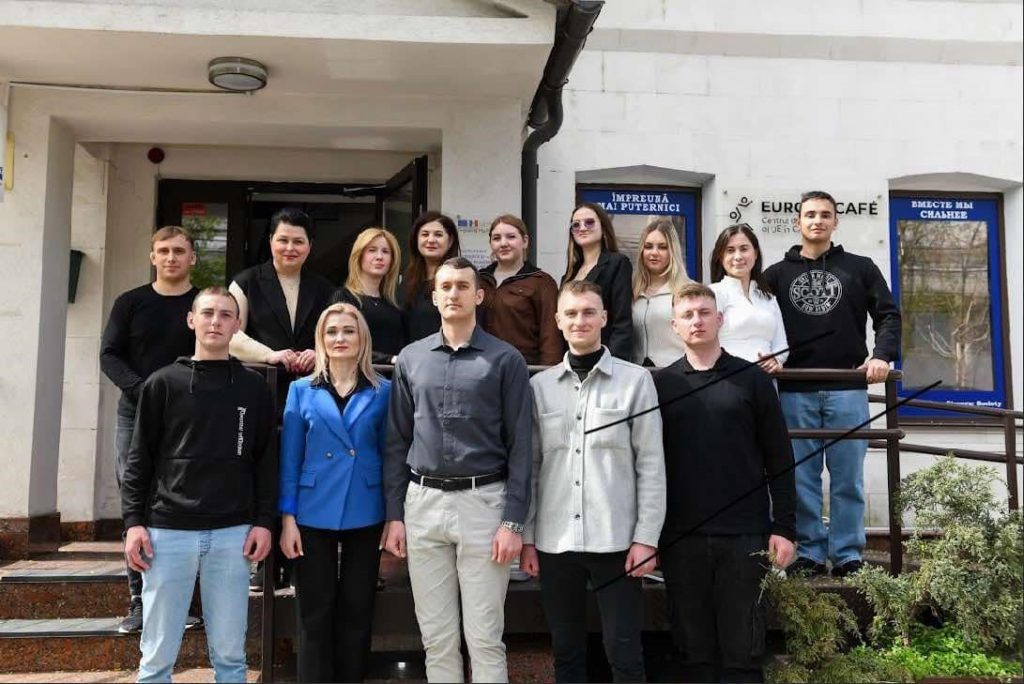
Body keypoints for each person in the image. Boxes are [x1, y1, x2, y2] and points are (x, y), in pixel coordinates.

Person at [383, 256, 533, 683]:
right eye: (445, 287)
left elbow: (522, 446)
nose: (454, 294)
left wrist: (513, 522)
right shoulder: (411, 359)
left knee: (484, 637)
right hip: (423, 504)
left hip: (484, 505)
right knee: (437, 639)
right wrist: (394, 515)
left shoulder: (506, 360)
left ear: (479, 295)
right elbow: (396, 441)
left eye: (463, 286)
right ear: (434, 297)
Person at [121, 287, 277, 683]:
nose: (215, 322)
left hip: (232, 533)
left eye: (225, 315)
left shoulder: (253, 388)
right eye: (207, 313)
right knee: (156, 657)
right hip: (167, 532)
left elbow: (265, 462)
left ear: (237, 325)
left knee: (231, 656)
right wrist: (133, 524)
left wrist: (263, 522)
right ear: (191, 320)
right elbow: (139, 460)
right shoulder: (162, 383)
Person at [521, 280, 666, 683]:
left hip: (617, 540)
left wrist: (646, 538)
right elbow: (532, 468)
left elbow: (651, 465)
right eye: (571, 313)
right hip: (555, 542)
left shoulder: (636, 381)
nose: (579, 320)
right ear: (558, 321)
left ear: (604, 317)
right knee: (566, 651)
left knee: (624, 650)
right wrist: (528, 538)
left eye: (588, 312)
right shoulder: (539, 387)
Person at [654, 282, 796, 683]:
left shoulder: (752, 380)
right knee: (693, 652)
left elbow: (780, 457)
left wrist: (785, 527)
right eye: (687, 315)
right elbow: (647, 466)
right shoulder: (661, 385)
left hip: (744, 535)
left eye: (704, 313)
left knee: (743, 653)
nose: (696, 321)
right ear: (675, 326)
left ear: (719, 319)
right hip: (680, 537)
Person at [763, 190, 901, 578]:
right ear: (797, 222)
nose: (817, 220)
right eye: (810, 214)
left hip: (848, 388)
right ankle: (808, 551)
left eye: (825, 214)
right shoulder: (775, 275)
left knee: (848, 479)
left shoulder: (860, 268)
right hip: (794, 390)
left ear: (835, 221)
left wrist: (881, 355)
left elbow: (888, 315)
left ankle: (846, 554)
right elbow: (753, 320)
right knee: (801, 478)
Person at [279, 303, 392, 683]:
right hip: (312, 509)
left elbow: (391, 455)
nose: (340, 338)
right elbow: (290, 458)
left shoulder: (384, 391)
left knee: (358, 609)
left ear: (362, 339)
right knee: (314, 611)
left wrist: (394, 516)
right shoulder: (300, 390)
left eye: (348, 330)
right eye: (332, 331)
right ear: (321, 340)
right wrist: (288, 519)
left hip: (366, 507)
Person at [99, 225, 202, 635]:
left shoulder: (203, 305)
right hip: (136, 411)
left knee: (188, 501)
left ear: (193, 258)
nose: (171, 257)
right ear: (152, 257)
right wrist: (145, 391)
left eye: (179, 250)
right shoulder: (131, 302)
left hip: (190, 416)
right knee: (136, 500)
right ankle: (139, 602)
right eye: (163, 250)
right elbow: (109, 355)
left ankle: (187, 603)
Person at [228, 206, 335, 406]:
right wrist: (268, 355)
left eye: (298, 241)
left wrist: (319, 353)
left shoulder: (325, 288)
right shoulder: (245, 283)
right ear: (270, 241)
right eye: (283, 240)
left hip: (313, 392)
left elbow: (340, 334)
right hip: (258, 388)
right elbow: (230, 335)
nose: (290, 248)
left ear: (310, 245)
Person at [479, 214, 562, 366]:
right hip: (482, 367)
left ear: (525, 241)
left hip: (525, 368)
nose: (503, 243)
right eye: (496, 238)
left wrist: (548, 372)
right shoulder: (479, 280)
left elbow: (551, 335)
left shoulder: (541, 282)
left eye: (511, 237)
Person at [708, 224, 788, 373]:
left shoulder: (768, 298)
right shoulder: (712, 294)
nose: (738, 256)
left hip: (765, 380)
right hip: (728, 378)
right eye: (730, 250)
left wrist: (776, 360)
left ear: (755, 253)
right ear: (720, 256)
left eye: (744, 249)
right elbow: (704, 341)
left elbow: (781, 345)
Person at [560, 202, 633, 360]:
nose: (582, 228)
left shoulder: (617, 263)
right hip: (573, 359)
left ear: (603, 227)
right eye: (576, 224)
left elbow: (622, 323)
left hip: (605, 358)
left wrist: (612, 363)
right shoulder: (569, 275)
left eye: (589, 222)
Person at [330, 227, 406, 364]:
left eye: (385, 251)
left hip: (392, 375)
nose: (379, 257)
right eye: (372, 250)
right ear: (359, 256)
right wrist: (391, 359)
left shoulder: (393, 304)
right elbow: (344, 346)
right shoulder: (344, 298)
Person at [631, 218, 690, 367]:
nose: (654, 253)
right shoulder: (632, 290)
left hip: (678, 372)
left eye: (662, 247)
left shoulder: (688, 290)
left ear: (672, 251)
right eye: (648, 246)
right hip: (638, 372)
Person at [401, 210, 461, 343]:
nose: (431, 240)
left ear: (450, 241)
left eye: (438, 235)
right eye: (425, 234)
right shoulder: (407, 281)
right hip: (410, 353)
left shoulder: (459, 280)